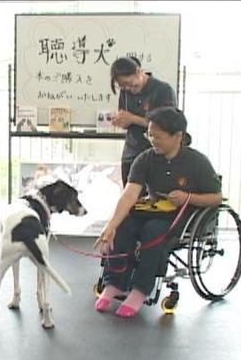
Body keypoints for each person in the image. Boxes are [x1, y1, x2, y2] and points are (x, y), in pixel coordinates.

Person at [94, 107, 222, 318]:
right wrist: (110, 227)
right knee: (123, 225)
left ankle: (140, 290)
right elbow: (129, 195)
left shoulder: (197, 162)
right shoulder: (145, 159)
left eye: (158, 136)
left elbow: (216, 197)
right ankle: (114, 283)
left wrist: (188, 197)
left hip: (183, 216)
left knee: (153, 232)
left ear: (178, 136)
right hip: (153, 209)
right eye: (150, 135)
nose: (152, 140)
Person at [109, 57, 178, 186]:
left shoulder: (163, 90)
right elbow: (126, 118)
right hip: (131, 153)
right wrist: (122, 121)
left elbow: (168, 123)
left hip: (156, 153)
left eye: (131, 84)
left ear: (139, 71)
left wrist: (133, 119)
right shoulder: (125, 91)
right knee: (131, 200)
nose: (129, 89)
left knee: (155, 198)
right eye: (123, 86)